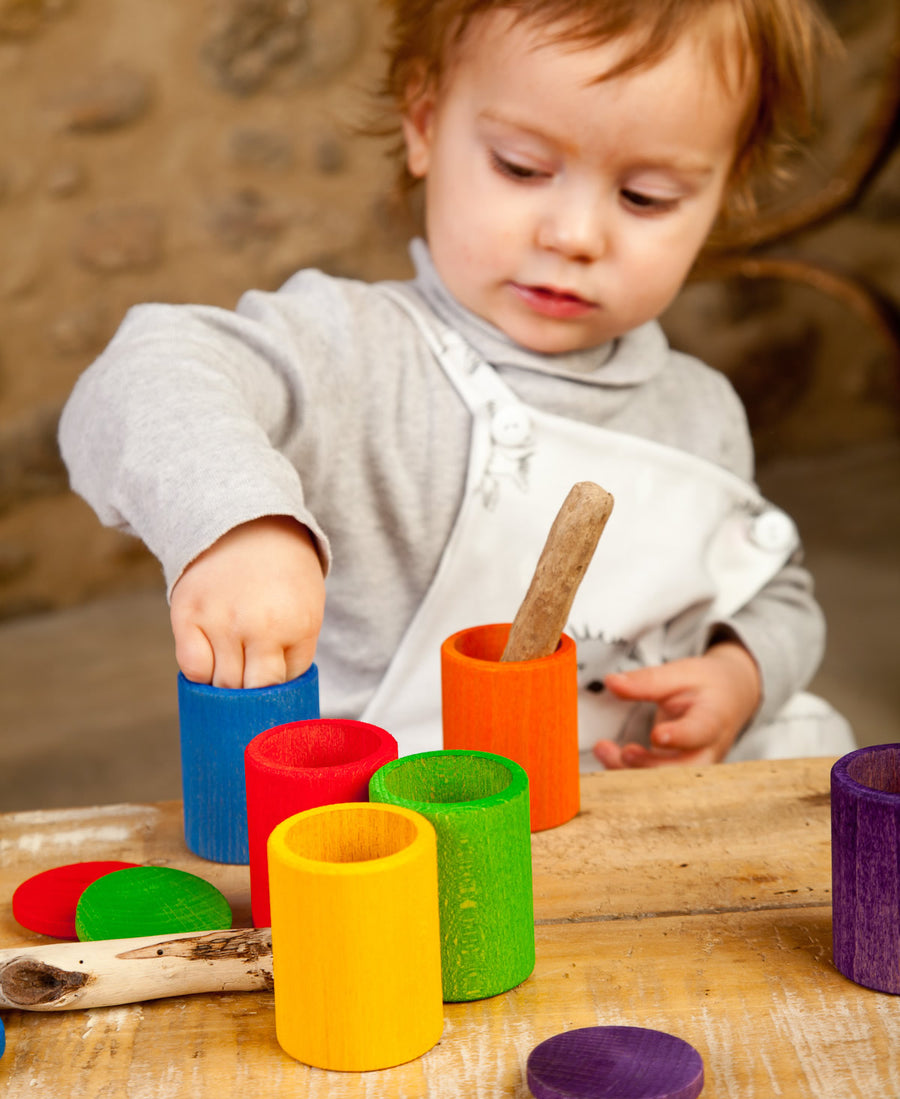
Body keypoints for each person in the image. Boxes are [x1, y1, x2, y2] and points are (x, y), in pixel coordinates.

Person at [60, 0, 855, 770]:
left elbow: (772, 592)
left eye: (646, 197)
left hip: (635, 844)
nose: (574, 235)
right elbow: (148, 368)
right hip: (403, 847)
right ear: (425, 124)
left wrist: (741, 673)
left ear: (725, 191)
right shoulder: (355, 352)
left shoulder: (702, 409)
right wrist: (236, 523)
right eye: (522, 166)